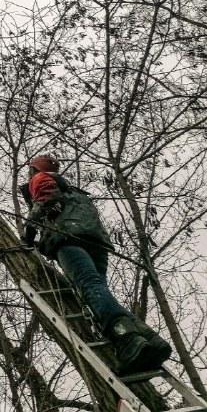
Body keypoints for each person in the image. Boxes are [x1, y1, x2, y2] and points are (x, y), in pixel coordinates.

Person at [21, 154, 172, 375]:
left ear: (35, 169)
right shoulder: (76, 194)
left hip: (69, 240)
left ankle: (127, 339)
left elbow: (45, 197)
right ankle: (150, 339)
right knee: (98, 290)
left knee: (90, 288)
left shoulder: (41, 178)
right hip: (96, 244)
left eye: (30, 171)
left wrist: (29, 229)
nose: (29, 175)